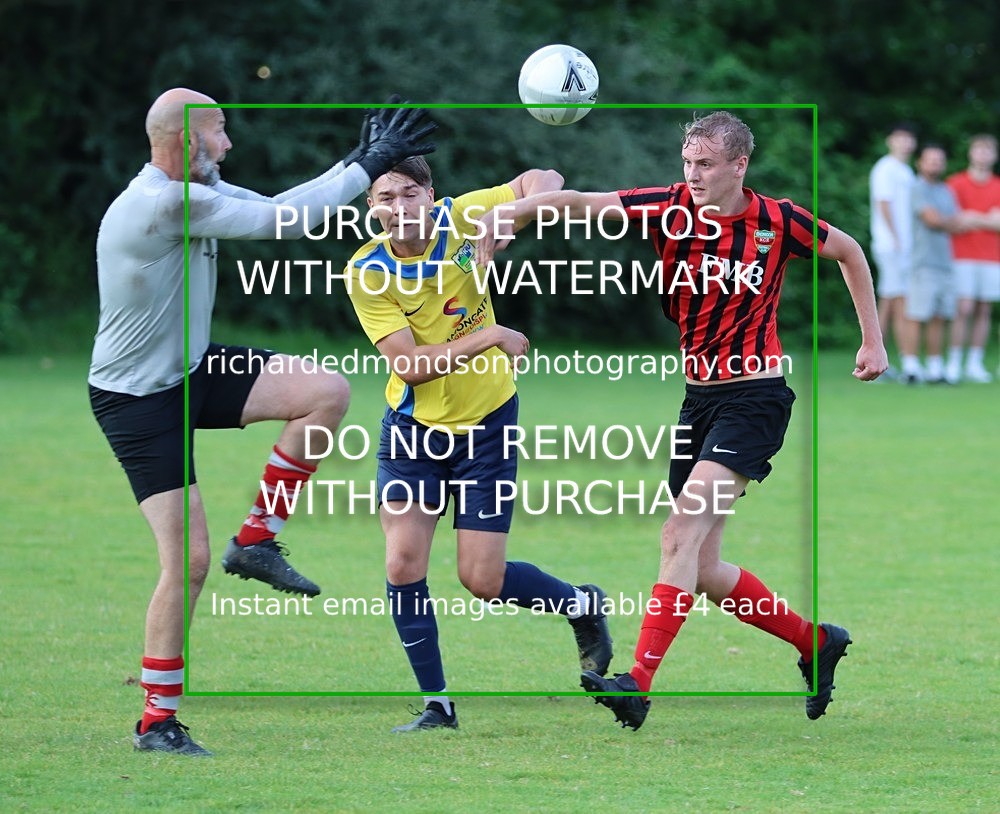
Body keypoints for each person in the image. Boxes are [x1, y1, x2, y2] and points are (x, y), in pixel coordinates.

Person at [475, 111, 888, 730]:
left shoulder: (779, 220)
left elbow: (849, 251)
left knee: (678, 532)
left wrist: (872, 341)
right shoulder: (668, 207)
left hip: (756, 397)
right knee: (701, 568)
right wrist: (511, 213)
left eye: (706, 164)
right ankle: (814, 642)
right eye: (688, 163)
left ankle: (636, 683)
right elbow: (584, 201)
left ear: (738, 166)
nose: (692, 175)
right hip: (698, 402)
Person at [89, 88, 435, 755]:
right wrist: (368, 164)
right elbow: (284, 224)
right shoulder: (164, 203)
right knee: (186, 562)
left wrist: (358, 163)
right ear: (187, 139)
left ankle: (256, 540)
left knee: (326, 391)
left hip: (190, 369)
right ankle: (157, 724)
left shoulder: (195, 190)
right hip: (138, 400)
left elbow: (280, 208)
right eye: (219, 133)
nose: (228, 145)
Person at [342, 156, 613, 732]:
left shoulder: (462, 218)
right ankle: (437, 705)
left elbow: (549, 178)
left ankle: (582, 604)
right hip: (413, 431)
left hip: (487, 424)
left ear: (431, 195)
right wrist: (491, 335)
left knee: (482, 581)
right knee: (402, 561)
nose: (400, 208)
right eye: (386, 198)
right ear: (371, 206)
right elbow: (410, 367)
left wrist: (512, 213)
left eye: (410, 194)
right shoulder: (366, 271)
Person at [899, 144, 981, 384]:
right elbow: (933, 220)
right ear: (920, 163)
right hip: (922, 262)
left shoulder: (946, 190)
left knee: (939, 316)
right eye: (930, 160)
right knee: (916, 315)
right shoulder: (916, 188)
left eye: (939, 160)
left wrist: (958, 221)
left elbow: (957, 221)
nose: (935, 164)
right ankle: (911, 366)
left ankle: (935, 368)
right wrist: (956, 222)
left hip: (945, 263)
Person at [945, 134, 1000, 383]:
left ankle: (974, 363)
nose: (983, 154)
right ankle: (954, 362)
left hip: (992, 256)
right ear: (971, 153)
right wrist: (986, 218)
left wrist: (971, 217)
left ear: (994, 155)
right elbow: (954, 221)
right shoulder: (955, 183)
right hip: (961, 255)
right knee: (963, 308)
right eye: (979, 149)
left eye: (988, 150)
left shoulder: (998, 185)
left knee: (984, 309)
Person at [869, 123, 917, 379]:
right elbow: (883, 204)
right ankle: (897, 362)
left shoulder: (906, 171)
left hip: (904, 247)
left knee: (888, 300)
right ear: (890, 140)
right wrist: (897, 240)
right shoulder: (885, 168)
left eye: (909, 139)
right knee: (898, 301)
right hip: (891, 246)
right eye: (900, 138)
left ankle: (877, 358)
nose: (905, 143)